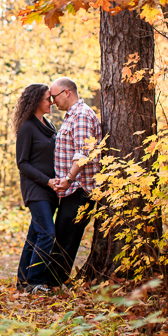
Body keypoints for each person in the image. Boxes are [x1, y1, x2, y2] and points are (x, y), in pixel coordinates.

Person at [48, 77, 102, 286]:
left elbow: (83, 152)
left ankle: (53, 284)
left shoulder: (81, 115)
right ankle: (51, 282)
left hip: (79, 189)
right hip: (72, 189)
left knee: (66, 240)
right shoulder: (72, 115)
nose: (52, 102)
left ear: (67, 92)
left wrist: (69, 179)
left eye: (54, 96)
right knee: (62, 237)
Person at [12, 83, 60, 292]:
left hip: (51, 189)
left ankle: (23, 281)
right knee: (47, 234)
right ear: (35, 101)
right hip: (36, 188)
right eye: (47, 99)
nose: (51, 102)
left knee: (35, 235)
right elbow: (22, 163)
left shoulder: (48, 125)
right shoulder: (27, 127)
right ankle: (34, 282)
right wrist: (46, 180)